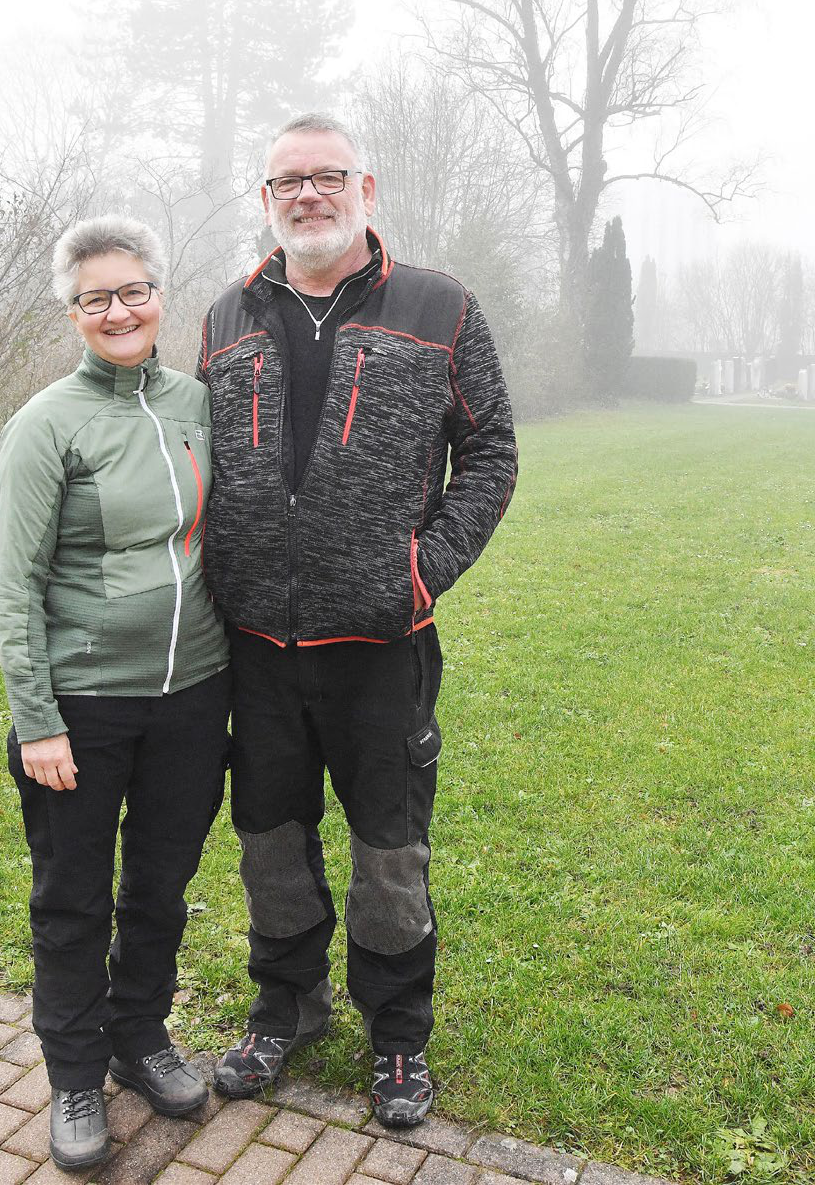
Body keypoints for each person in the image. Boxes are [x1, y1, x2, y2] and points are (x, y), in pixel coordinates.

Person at [198, 115, 517, 1127]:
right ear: (265, 199)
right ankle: (285, 1005)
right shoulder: (223, 316)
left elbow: (494, 448)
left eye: (325, 176)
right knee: (268, 839)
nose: (307, 195)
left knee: (389, 849)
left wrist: (422, 571)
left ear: (363, 186)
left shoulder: (437, 304)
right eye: (286, 181)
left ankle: (396, 1038)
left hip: (381, 645)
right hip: (257, 646)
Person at [0, 216, 231, 1172]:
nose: (119, 310)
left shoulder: (195, 402)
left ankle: (140, 1037)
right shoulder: (47, 422)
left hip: (192, 695)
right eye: (97, 298)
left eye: (133, 291)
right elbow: (15, 584)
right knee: (74, 900)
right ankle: (77, 1074)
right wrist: (38, 719)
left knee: (161, 888)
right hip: (82, 705)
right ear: (74, 313)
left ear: (158, 296)